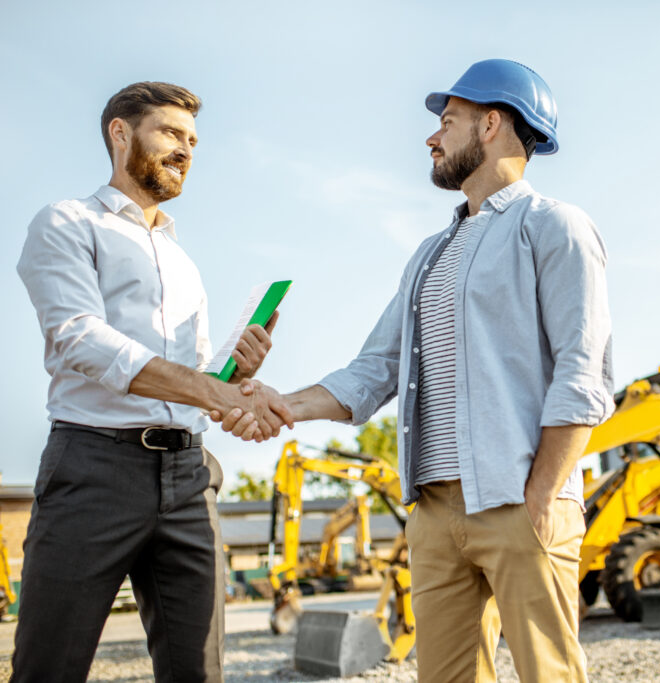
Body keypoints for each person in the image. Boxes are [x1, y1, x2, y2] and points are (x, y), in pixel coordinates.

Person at [219, 59, 614, 682]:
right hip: (434, 513)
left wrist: (541, 496)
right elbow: (374, 369)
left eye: (447, 122)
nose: (432, 137)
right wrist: (281, 403)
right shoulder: (430, 256)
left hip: (521, 501)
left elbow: (584, 374)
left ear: (490, 125)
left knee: (550, 675)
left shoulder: (554, 226)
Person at [14, 81, 293, 682]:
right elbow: (80, 338)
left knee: (199, 672)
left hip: (190, 480)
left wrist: (235, 377)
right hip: (93, 469)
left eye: (192, 140)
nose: (186, 149)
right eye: (171, 133)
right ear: (121, 133)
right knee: (48, 667)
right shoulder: (66, 222)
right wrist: (207, 389)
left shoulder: (182, 260)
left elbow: (198, 385)